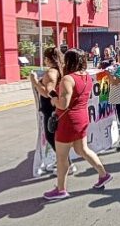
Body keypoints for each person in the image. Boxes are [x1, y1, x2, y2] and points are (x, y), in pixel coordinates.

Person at [43, 49, 112, 200]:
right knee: (82, 149)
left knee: (62, 157)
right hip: (82, 117)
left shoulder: (67, 79)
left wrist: (53, 98)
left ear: (68, 61)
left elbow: (63, 104)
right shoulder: (86, 76)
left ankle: (61, 189)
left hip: (68, 120)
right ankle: (103, 174)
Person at [30, 47, 78, 176]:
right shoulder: (61, 69)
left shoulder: (51, 72)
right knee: (56, 137)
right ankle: (64, 162)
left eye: (45, 58)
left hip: (50, 109)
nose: (44, 61)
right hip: (55, 108)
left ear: (48, 59)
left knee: (51, 137)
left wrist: (35, 82)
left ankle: (67, 163)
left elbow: (47, 93)